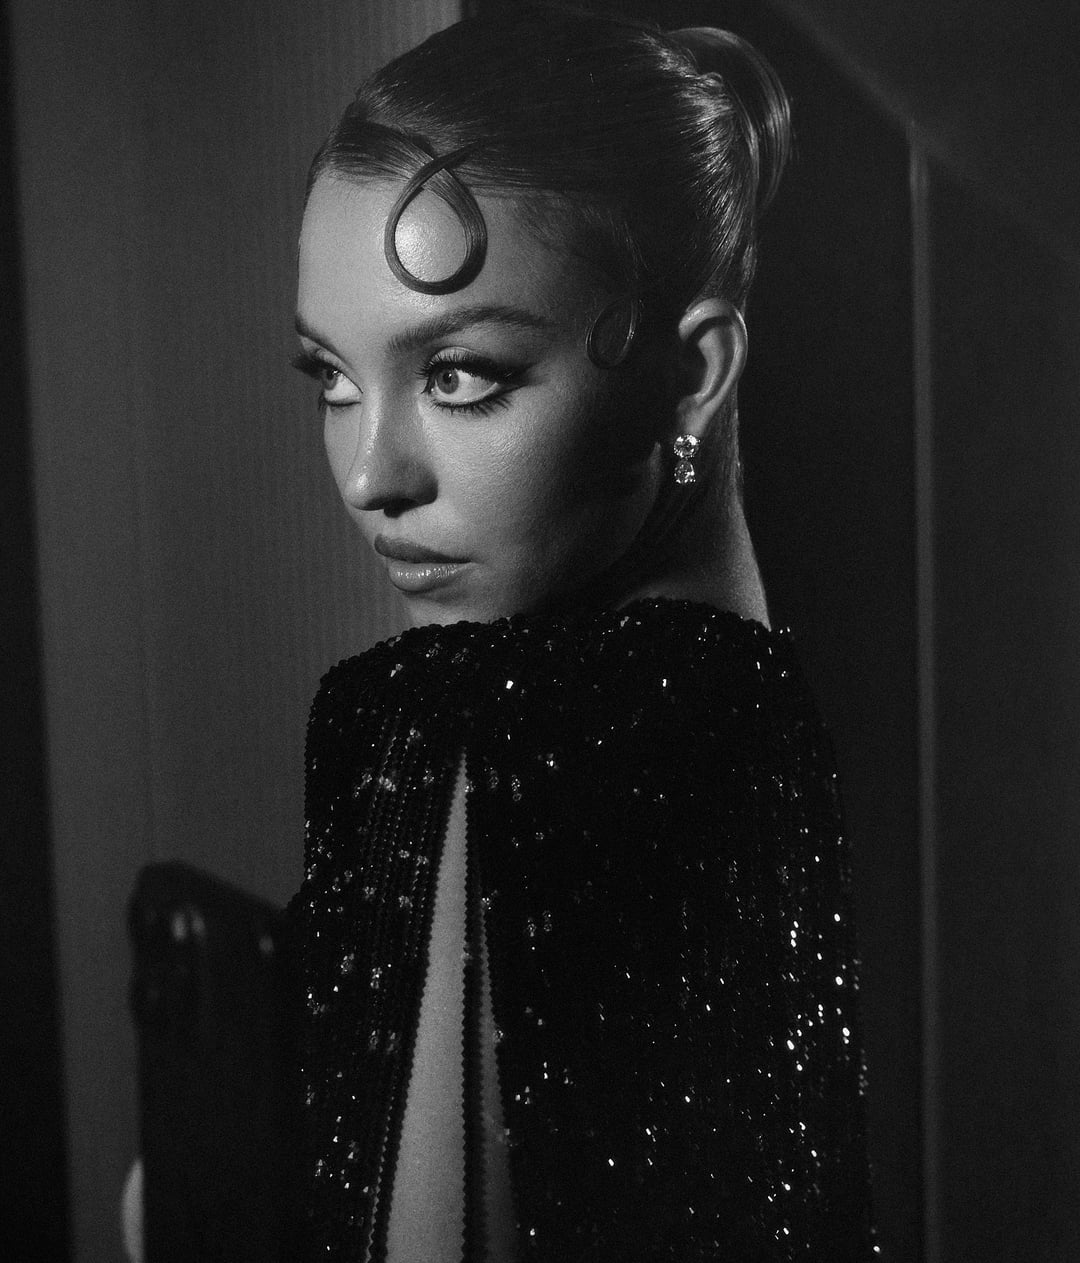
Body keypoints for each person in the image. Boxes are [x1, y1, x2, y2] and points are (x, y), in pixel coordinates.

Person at [289, 6, 878, 1261]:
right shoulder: (761, 714)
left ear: (694, 373)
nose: (371, 476)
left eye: (459, 375)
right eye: (332, 377)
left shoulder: (480, 728)